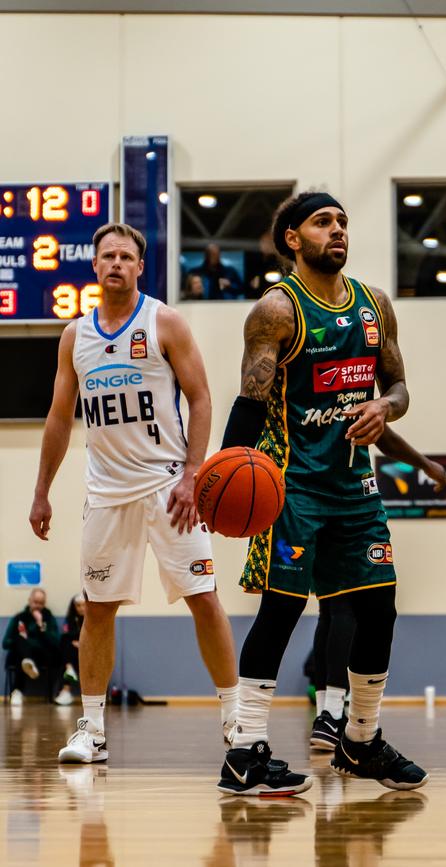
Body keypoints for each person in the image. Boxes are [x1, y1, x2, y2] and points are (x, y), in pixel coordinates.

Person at [217, 190, 430, 796]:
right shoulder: (276, 312)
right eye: (322, 222)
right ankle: (243, 754)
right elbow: (250, 406)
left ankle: (360, 742)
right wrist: (222, 483)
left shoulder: (374, 305)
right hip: (292, 488)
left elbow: (400, 386)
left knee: (378, 608)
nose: (337, 231)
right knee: (281, 611)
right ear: (293, 238)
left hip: (355, 488)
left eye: (342, 222)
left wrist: (384, 405)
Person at [28, 221, 238, 764]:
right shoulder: (75, 336)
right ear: (94, 267)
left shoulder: (163, 320)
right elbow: (58, 417)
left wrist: (195, 473)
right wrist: (42, 490)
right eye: (108, 256)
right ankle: (93, 731)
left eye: (126, 256)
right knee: (97, 609)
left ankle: (238, 721)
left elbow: (202, 398)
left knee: (204, 599)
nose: (117, 263)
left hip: (169, 486)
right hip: (106, 494)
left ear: (140, 267)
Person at [310, 426, 446, 750]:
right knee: (346, 608)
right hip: (334, 497)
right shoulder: (336, 389)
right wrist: (425, 464)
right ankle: (332, 714)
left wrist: (424, 464)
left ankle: (326, 713)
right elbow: (379, 431)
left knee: (330, 608)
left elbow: (378, 428)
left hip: (308, 500)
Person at [2, 588, 61, 705]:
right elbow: (5, 643)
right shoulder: (19, 618)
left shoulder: (49, 618)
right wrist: (20, 641)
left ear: (44, 603)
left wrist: (41, 627)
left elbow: (55, 643)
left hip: (42, 656)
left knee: (24, 646)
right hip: (20, 656)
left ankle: (17, 690)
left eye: (41, 603)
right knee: (20, 642)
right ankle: (18, 690)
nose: (38, 605)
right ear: (29, 601)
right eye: (35, 602)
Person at [54, 594, 85, 706]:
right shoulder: (70, 620)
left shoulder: (93, 620)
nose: (81, 608)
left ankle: (66, 689)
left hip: (88, 652)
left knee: (69, 649)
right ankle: (69, 668)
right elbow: (66, 637)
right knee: (67, 645)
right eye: (78, 606)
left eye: (83, 605)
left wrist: (82, 644)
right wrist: (74, 643)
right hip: (73, 653)